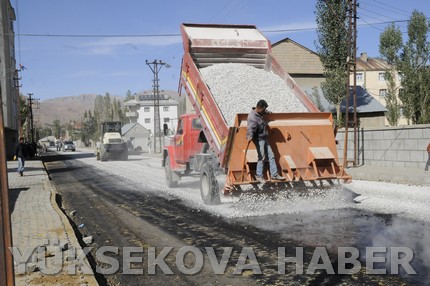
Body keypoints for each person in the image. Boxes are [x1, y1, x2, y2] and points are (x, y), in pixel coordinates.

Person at [246, 99, 285, 183]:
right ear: (259, 108)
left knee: (272, 155)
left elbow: (265, 111)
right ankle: (259, 175)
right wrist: (249, 136)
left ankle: (274, 175)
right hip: (259, 139)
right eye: (264, 109)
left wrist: (268, 112)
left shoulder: (260, 112)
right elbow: (250, 128)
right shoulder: (252, 117)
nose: (264, 111)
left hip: (264, 137)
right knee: (262, 157)